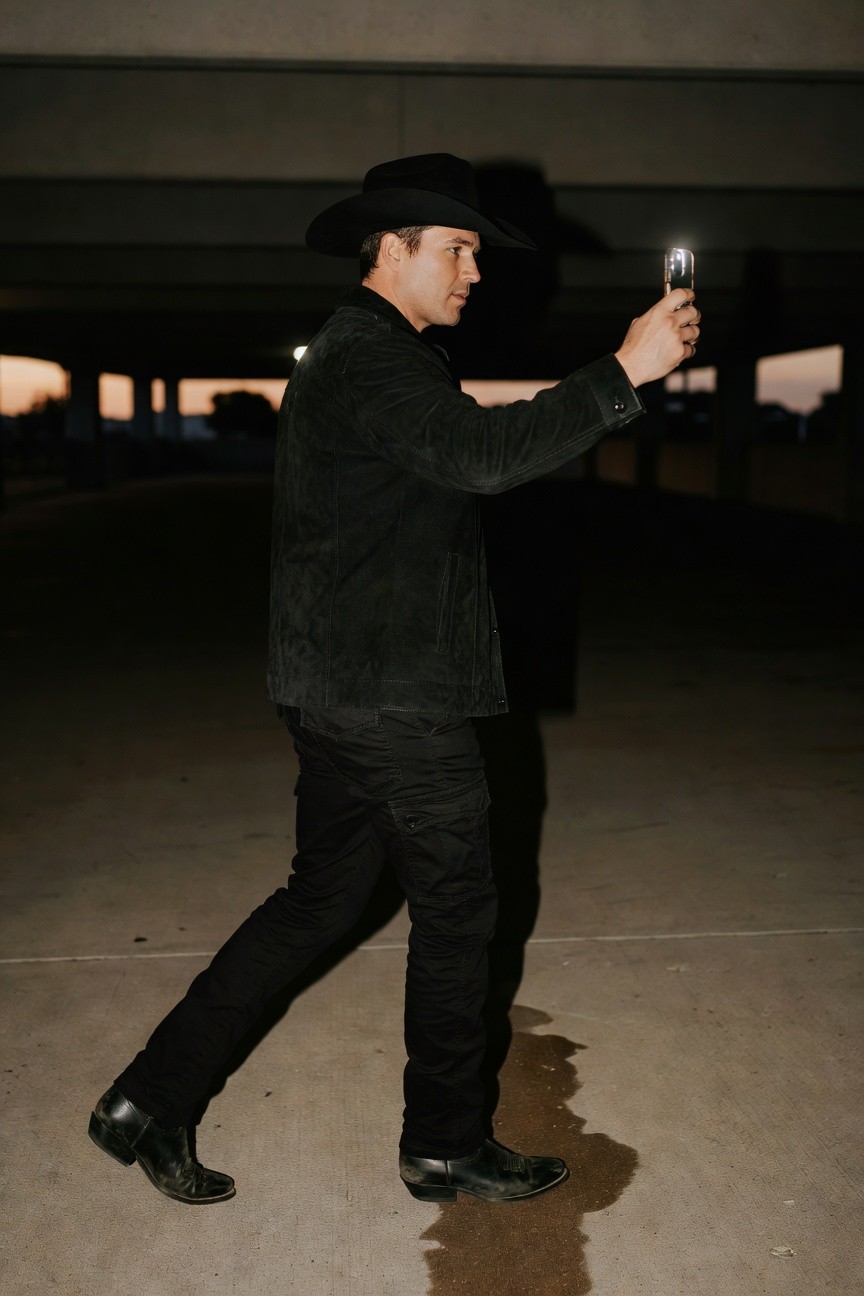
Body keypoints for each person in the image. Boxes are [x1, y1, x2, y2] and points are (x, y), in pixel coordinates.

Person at [89, 153, 699, 1206]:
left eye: (473, 250)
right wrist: (621, 374)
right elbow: (479, 456)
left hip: (343, 686)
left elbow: (452, 462)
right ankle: (446, 1141)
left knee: (319, 901)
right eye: (457, 249)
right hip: (391, 696)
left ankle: (146, 1101)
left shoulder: (368, 355)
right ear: (394, 247)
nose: (474, 271)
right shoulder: (373, 356)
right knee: (460, 912)